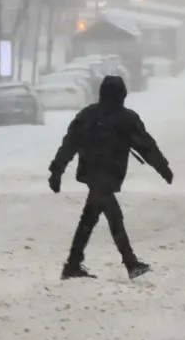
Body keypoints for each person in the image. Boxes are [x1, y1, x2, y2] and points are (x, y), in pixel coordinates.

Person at [48, 74, 173, 280]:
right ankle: (130, 263)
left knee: (90, 218)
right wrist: (163, 168)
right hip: (108, 175)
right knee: (113, 218)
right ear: (122, 94)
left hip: (91, 173)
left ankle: (73, 264)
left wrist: (56, 171)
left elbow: (69, 143)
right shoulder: (126, 118)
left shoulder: (87, 115)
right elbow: (146, 146)